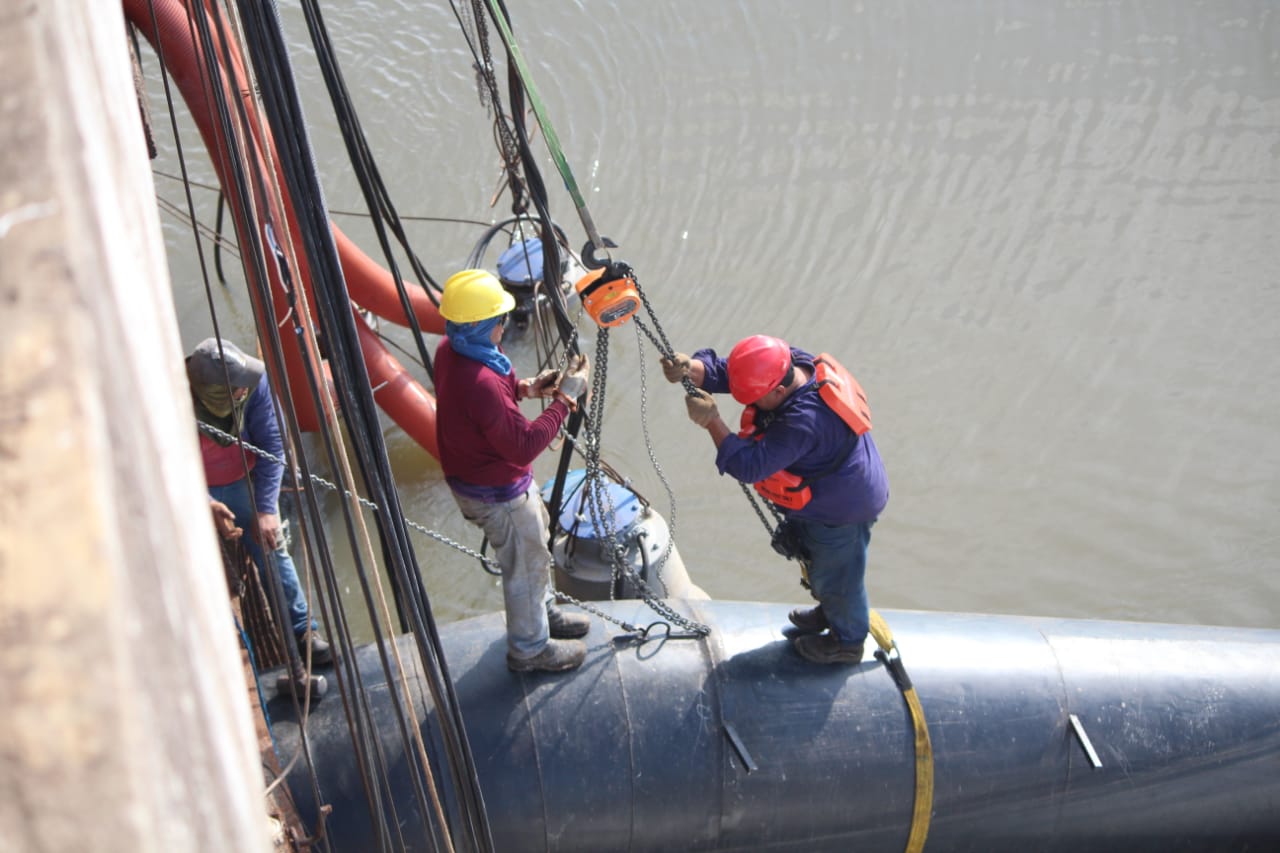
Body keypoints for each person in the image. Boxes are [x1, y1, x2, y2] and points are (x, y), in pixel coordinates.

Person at [661, 335, 889, 664]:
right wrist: (695, 370)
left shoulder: (804, 422)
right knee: (821, 565)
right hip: (830, 487)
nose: (748, 402)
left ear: (779, 392)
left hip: (843, 508)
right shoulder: (791, 363)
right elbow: (740, 374)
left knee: (838, 577)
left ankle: (848, 642)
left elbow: (749, 465)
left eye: (754, 398)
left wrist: (712, 421)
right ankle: (831, 611)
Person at [434, 269, 593, 673]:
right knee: (524, 564)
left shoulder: (452, 350)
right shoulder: (482, 383)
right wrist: (565, 399)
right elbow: (523, 445)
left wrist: (527, 388)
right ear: (481, 324)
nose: (504, 325)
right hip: (496, 493)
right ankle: (529, 648)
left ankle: (543, 613)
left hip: (480, 480)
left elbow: (485, 402)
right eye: (499, 319)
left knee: (535, 548)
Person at [187, 337, 332, 667]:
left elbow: (273, 445)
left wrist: (266, 509)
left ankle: (303, 630)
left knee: (271, 546)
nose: (244, 389)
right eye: (235, 389)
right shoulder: (170, 399)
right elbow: (168, 462)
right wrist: (203, 502)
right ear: (212, 394)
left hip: (244, 480)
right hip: (190, 486)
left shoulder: (254, 382)